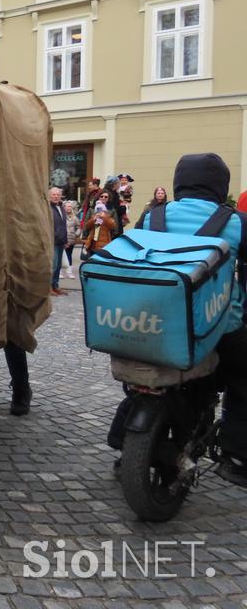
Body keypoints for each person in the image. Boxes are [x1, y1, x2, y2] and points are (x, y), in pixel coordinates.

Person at [109, 154, 247, 487]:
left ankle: (122, 438)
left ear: (178, 181)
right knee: (244, 377)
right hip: (217, 327)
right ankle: (237, 456)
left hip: (152, 320)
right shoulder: (237, 222)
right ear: (220, 186)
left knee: (147, 369)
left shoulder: (153, 215)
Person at [82, 189, 118, 257]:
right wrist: (94, 219)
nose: (103, 198)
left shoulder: (111, 210)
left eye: (106, 197)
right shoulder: (92, 209)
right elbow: (86, 226)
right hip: (92, 239)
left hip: (106, 239)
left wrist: (105, 217)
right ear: (98, 197)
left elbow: (115, 227)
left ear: (108, 198)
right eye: (101, 196)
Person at [49, 187, 67, 296]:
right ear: (49, 196)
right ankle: (49, 287)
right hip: (52, 241)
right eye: (53, 194)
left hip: (61, 241)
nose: (56, 196)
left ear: (61, 196)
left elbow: (63, 225)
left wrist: (65, 240)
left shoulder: (61, 207)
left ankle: (55, 286)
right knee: (53, 265)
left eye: (57, 194)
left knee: (58, 266)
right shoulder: (48, 208)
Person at [64, 201, 80, 279]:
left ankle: (69, 272)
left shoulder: (75, 217)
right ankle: (59, 271)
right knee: (61, 256)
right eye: (67, 206)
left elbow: (78, 227)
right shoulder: (62, 216)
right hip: (63, 239)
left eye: (70, 206)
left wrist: (76, 234)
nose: (69, 208)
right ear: (64, 208)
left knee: (69, 255)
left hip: (71, 240)